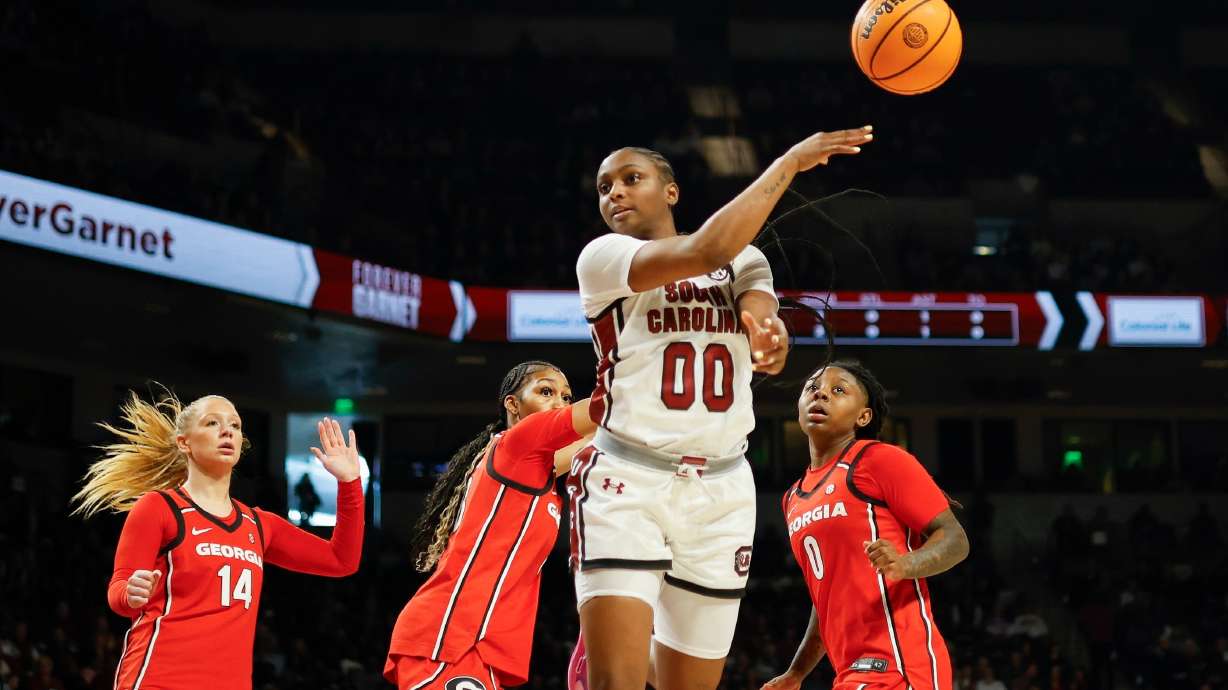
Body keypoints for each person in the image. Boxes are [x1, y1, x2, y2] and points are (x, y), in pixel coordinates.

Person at [569, 126, 874, 690]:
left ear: (671, 192)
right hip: (627, 483)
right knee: (619, 683)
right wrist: (788, 162)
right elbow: (706, 248)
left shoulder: (747, 260)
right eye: (604, 186)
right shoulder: (604, 258)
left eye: (632, 179)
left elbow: (758, 307)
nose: (615, 192)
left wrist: (770, 336)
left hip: (722, 491)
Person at [72, 391, 364, 690]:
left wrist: (349, 483)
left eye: (235, 426)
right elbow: (118, 589)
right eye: (212, 423)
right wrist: (129, 594)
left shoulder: (259, 525)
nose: (227, 431)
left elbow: (342, 560)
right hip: (159, 680)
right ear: (184, 442)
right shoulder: (159, 507)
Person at [385, 361, 596, 690]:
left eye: (566, 397)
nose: (559, 403)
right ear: (513, 405)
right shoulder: (517, 444)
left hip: (481, 647)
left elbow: (600, 433)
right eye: (545, 392)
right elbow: (603, 409)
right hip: (450, 638)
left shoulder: (533, 468)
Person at [763, 361, 969, 690]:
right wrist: (797, 672)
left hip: (900, 662)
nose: (821, 395)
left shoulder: (880, 460)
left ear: (863, 416)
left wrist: (905, 563)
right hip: (850, 671)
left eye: (838, 390)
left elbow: (956, 539)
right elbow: (825, 597)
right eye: (812, 388)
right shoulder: (792, 498)